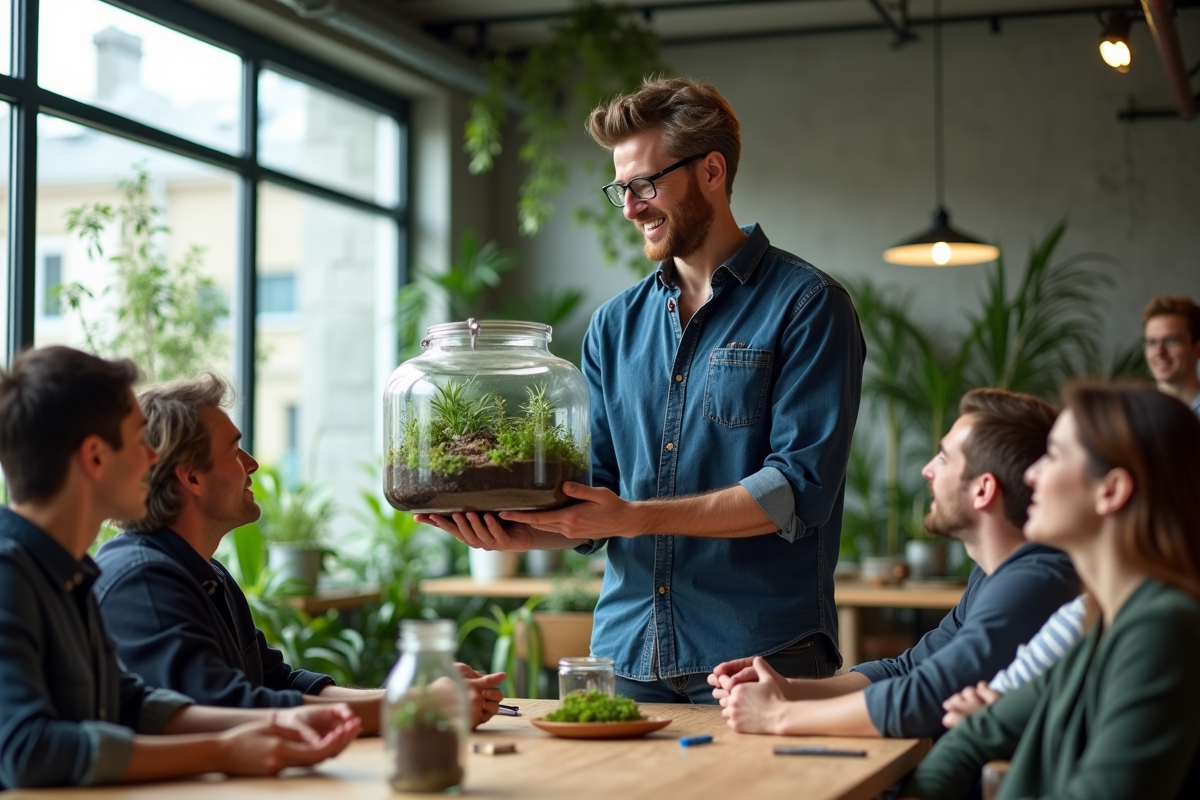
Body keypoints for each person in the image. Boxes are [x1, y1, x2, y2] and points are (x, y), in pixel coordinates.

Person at [419, 77, 866, 702]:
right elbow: (597, 492)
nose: (630, 208)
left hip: (759, 658)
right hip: (628, 655)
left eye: (645, 184)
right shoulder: (612, 326)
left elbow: (797, 490)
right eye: (620, 189)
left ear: (712, 170)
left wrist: (633, 516)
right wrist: (533, 530)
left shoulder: (808, 305)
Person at [0, 346, 360, 789]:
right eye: (137, 441)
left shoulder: (68, 574)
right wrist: (225, 750)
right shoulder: (9, 573)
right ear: (95, 457)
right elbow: (27, 749)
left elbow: (131, 704)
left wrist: (274, 726)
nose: (155, 460)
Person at [93, 374, 505, 732]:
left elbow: (278, 684)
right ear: (192, 476)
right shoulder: (141, 580)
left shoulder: (207, 573)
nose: (252, 464)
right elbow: (226, 709)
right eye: (235, 450)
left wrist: (409, 696)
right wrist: (413, 708)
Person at [709, 389, 1080, 739]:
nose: (927, 470)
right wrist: (787, 689)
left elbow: (923, 697)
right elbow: (906, 670)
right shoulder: (995, 573)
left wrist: (777, 716)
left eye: (944, 458)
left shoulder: (1037, 580)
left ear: (983, 489)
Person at [901, 384, 1200, 799]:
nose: (1030, 474)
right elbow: (971, 735)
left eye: (1055, 456)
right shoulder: (1103, 624)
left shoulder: (1160, 629)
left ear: (1111, 490)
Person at [1142, 294, 1200, 416]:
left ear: (1197, 348)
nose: (1159, 352)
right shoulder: (1133, 414)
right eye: (1152, 342)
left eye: (1171, 341)